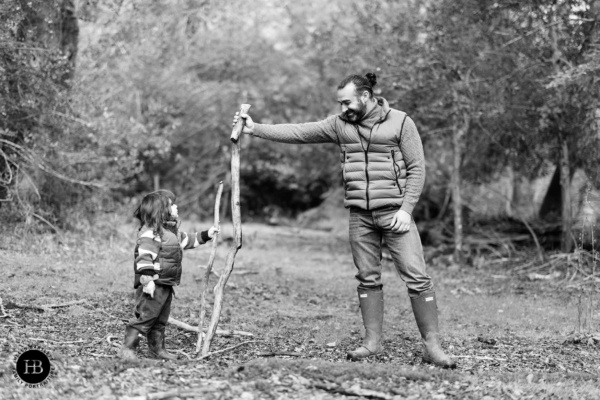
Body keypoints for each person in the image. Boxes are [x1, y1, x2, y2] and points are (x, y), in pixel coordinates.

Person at [232, 73, 456, 368]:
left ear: (365, 95)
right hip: (360, 216)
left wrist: (406, 209)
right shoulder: (340, 125)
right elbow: (300, 132)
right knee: (367, 277)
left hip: (395, 213)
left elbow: (417, 168)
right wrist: (256, 129)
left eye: (347, 102)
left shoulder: (401, 122)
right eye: (340, 103)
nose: (342, 108)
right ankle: (372, 343)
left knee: (417, 277)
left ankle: (432, 346)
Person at [120, 190, 218, 360]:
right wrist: (147, 280)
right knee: (146, 317)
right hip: (153, 284)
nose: (176, 206)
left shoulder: (171, 232)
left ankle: (157, 350)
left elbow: (189, 240)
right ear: (162, 210)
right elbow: (144, 258)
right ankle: (128, 350)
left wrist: (206, 235)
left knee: (160, 320)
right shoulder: (150, 233)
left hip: (166, 284)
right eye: (172, 204)